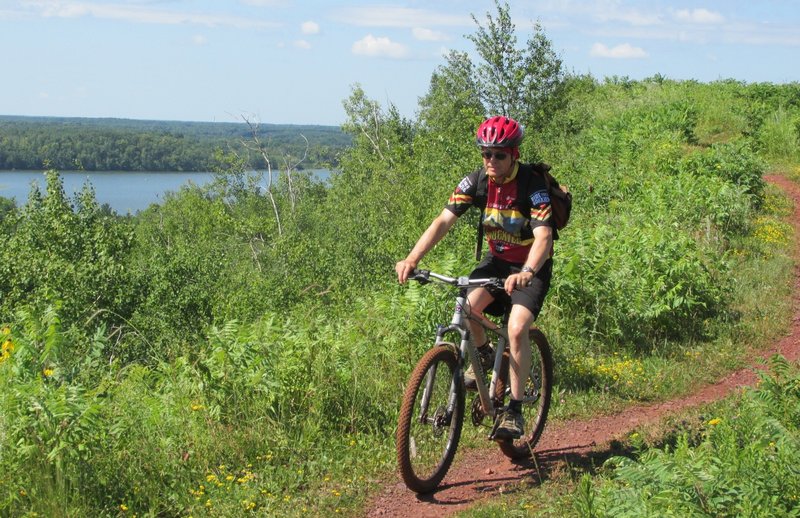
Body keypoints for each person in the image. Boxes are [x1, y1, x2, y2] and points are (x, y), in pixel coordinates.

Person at [395, 115, 554, 440]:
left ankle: (515, 410)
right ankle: (483, 358)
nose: (491, 161)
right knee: (467, 309)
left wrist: (526, 272)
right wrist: (412, 258)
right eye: (486, 154)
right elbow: (443, 221)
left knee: (517, 327)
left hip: (530, 268)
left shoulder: (531, 186)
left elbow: (544, 239)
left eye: (499, 154)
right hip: (496, 263)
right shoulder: (477, 181)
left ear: (514, 155)